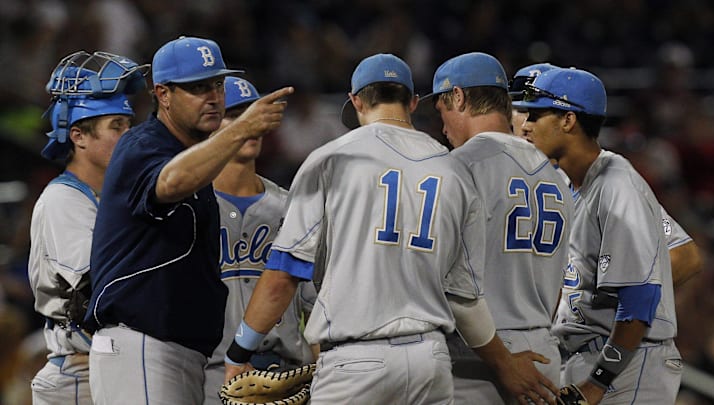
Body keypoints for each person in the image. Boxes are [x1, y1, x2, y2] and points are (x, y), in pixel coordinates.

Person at [223, 53, 558, 405]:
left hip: (357, 361)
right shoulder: (453, 168)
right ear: (412, 102)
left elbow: (283, 276)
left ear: (355, 101)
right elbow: (464, 297)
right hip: (432, 362)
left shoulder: (331, 158)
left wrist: (238, 352)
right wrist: (504, 363)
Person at [82, 36, 294, 405]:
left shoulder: (194, 160)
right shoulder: (142, 143)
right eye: (197, 88)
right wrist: (241, 128)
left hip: (178, 352)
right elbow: (170, 182)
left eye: (216, 85)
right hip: (143, 344)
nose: (213, 96)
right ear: (163, 94)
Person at [516, 67, 681, 404]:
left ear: (568, 120)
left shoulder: (617, 186)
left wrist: (597, 383)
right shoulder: (570, 184)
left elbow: (639, 303)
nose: (527, 125)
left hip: (628, 365)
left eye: (537, 114)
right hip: (592, 355)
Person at [420, 52, 574, 404]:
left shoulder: (459, 166)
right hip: (542, 350)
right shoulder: (556, 176)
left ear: (458, 97)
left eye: (442, 110)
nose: (442, 127)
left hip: (481, 357)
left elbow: (453, 284)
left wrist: (502, 360)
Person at [509, 64, 703, 288]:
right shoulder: (495, 174)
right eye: (519, 110)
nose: (525, 124)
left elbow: (684, 256)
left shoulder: (600, 178)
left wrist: (606, 299)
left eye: (535, 113)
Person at [28, 50, 149, 405]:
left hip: (109, 366)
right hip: (79, 375)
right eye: (116, 126)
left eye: (128, 125)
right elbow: (100, 287)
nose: (128, 136)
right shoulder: (63, 200)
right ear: (79, 136)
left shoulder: (116, 196)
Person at [203, 76, 317, 404]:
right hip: (209, 373)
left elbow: (315, 305)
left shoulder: (291, 206)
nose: (247, 124)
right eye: (233, 115)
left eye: (251, 112)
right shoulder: (191, 208)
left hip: (285, 372)